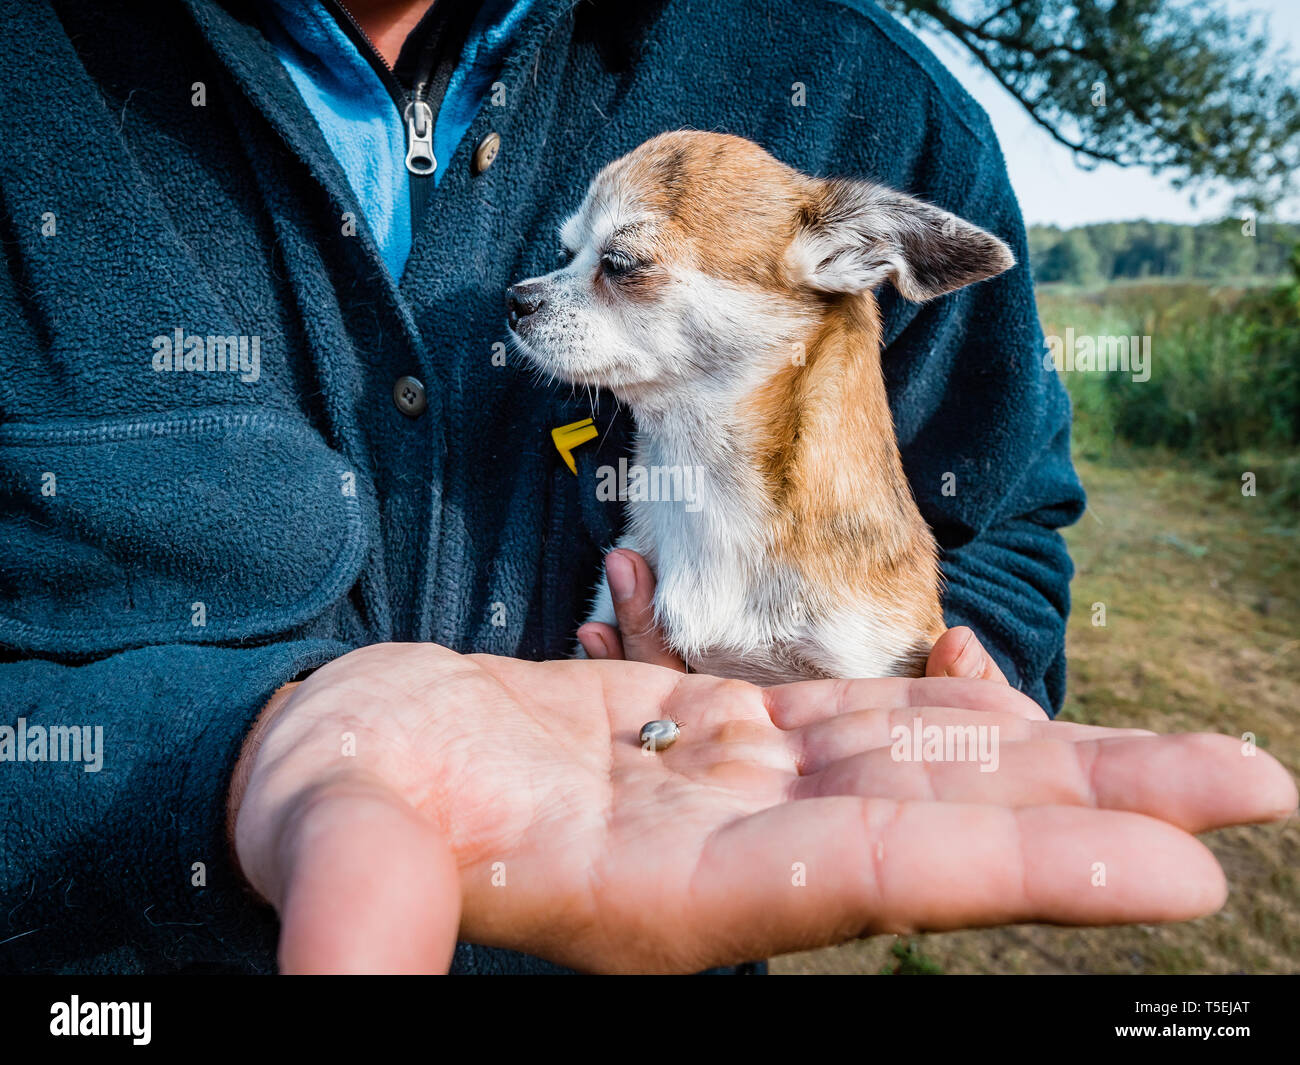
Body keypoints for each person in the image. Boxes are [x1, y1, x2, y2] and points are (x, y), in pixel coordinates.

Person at [0, 0, 1293, 975]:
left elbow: (1001, 514)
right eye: (578, 263)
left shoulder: (860, 93)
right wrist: (213, 764)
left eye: (623, 268)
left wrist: (926, 687)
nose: (543, 301)